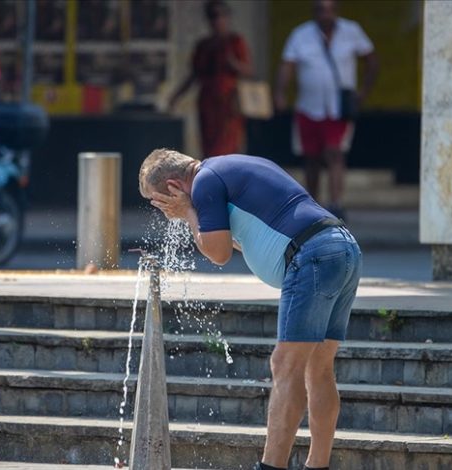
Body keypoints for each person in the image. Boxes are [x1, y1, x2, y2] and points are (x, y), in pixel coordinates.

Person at [139, 149, 362, 470]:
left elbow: (217, 254)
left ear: (174, 186)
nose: (165, 213)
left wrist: (188, 212)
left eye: (161, 203)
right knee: (319, 368)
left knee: (284, 365)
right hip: (342, 247)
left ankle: (271, 466)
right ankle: (318, 464)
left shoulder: (203, 184)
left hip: (313, 256)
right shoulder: (227, 167)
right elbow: (244, 237)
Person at [275, 0, 378, 220]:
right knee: (311, 157)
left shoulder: (352, 31)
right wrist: (281, 92)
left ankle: (335, 203)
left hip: (338, 108)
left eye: (329, 10)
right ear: (314, 12)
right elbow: (287, 65)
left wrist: (363, 92)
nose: (325, 14)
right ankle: (313, 203)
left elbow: (371, 60)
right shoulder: (300, 35)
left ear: (336, 12)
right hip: (308, 106)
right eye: (320, 10)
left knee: (335, 153)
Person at [168, 0, 252, 158]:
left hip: (229, 102)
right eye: (214, 16)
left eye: (222, 15)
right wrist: (176, 96)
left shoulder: (235, 41)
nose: (218, 20)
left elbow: (248, 70)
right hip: (208, 102)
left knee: (228, 146)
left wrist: (233, 63)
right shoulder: (203, 45)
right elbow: (194, 75)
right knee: (209, 147)